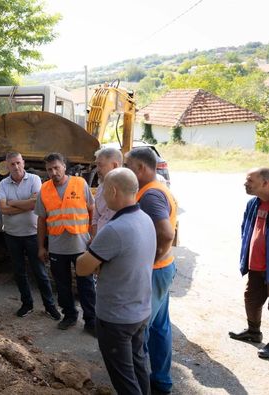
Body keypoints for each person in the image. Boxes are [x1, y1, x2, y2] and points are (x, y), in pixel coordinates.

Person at [77, 168, 156, 395]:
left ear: (113, 191)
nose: (100, 197)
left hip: (116, 318)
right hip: (140, 311)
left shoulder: (114, 229)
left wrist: (90, 259)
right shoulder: (145, 219)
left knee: (123, 378)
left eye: (103, 192)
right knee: (138, 364)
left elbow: (83, 268)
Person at [125, 147, 178, 394]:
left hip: (155, 270)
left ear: (141, 168)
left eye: (128, 165)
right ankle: (161, 381)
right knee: (159, 327)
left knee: (141, 329)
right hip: (163, 269)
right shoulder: (157, 189)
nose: (126, 170)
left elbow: (167, 233)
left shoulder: (150, 195)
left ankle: (141, 383)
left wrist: (153, 258)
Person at [35, 152, 97, 334]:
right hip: (57, 247)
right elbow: (41, 220)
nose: (53, 172)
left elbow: (92, 211)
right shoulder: (44, 189)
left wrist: (93, 236)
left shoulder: (80, 184)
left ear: (64, 166)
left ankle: (91, 320)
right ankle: (69, 315)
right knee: (62, 286)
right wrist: (41, 246)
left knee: (86, 285)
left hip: (81, 245)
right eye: (49, 169)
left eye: (57, 167)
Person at [0, 152, 60, 320]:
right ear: (7, 166)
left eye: (18, 163)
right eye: (12, 164)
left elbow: (35, 204)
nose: (16, 167)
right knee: (19, 272)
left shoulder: (34, 180)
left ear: (23, 163)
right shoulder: (3, 183)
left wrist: (13, 203)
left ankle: (49, 306)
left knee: (40, 272)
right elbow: (3, 209)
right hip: (12, 235)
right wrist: (26, 204)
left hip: (32, 235)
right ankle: (27, 304)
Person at [229, 168, 269, 359]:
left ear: (265, 183)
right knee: (251, 299)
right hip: (256, 265)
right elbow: (245, 229)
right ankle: (254, 332)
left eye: (250, 180)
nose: (246, 184)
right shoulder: (253, 204)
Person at [91, 147, 123, 237]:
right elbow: (95, 218)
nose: (97, 169)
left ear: (115, 166)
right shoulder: (101, 187)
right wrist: (95, 239)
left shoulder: (127, 189)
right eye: (96, 165)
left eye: (100, 165)